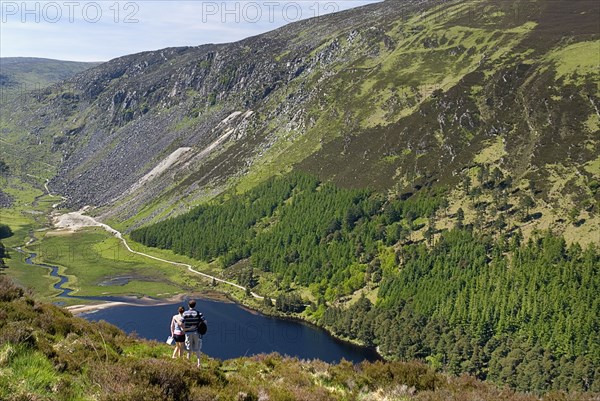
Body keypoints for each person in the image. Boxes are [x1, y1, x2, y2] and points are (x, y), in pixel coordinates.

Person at [183, 299, 205, 367]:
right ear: (195, 305)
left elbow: (181, 322)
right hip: (196, 333)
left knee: (189, 348)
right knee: (197, 348)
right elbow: (204, 322)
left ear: (188, 305)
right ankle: (199, 364)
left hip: (188, 333)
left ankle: (188, 364)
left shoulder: (185, 313)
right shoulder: (199, 313)